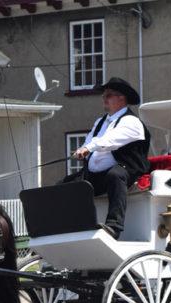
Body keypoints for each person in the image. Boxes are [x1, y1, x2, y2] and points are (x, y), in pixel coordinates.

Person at [66, 77, 151, 239]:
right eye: (103, 95)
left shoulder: (131, 121)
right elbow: (90, 140)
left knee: (115, 175)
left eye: (108, 95)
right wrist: (83, 148)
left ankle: (114, 225)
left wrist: (87, 148)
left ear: (122, 98)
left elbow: (109, 141)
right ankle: (71, 225)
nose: (104, 98)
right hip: (96, 175)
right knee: (66, 184)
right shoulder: (100, 121)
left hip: (127, 170)